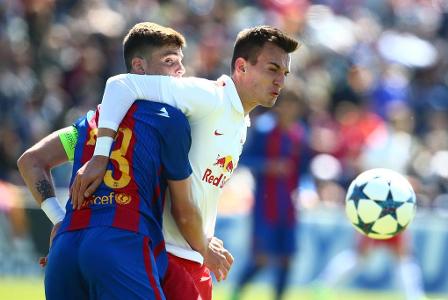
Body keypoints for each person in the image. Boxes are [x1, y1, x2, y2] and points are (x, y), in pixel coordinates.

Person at [70, 25, 300, 300]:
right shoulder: (209, 97)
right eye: (272, 69)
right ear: (242, 66)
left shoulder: (240, 118)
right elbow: (120, 84)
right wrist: (100, 155)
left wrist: (204, 238)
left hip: (191, 256)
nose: (280, 81)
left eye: (284, 73)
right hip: (170, 256)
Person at [17, 22, 216, 300]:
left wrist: (59, 218)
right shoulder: (169, 119)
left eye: (181, 62)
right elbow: (182, 210)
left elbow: (31, 160)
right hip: (121, 245)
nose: (179, 71)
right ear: (139, 67)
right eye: (170, 61)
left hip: (66, 249)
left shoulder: (90, 123)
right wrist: (206, 250)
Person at [232, 89, 309, 300]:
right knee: (261, 258)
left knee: (286, 258)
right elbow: (244, 158)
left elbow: (303, 169)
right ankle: (236, 293)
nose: (290, 109)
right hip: (265, 205)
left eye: (294, 105)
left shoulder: (299, 133)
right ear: (279, 105)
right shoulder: (264, 129)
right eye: (286, 104)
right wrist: (269, 166)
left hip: (289, 206)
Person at [315, 232, 427, 300]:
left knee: (402, 256)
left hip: (390, 211)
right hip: (381, 211)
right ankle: (323, 285)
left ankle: (414, 296)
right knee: (360, 255)